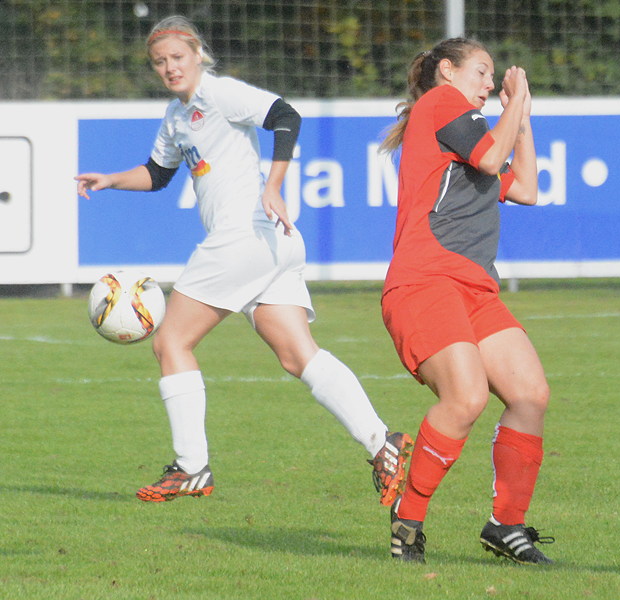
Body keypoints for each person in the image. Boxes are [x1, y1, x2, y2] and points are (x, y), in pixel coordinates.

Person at [75, 16, 411, 506]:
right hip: (270, 245)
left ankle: (191, 466)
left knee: (170, 341)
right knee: (298, 355)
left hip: (242, 236)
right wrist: (110, 180)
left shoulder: (219, 93)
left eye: (178, 57)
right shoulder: (176, 116)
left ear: (197, 54)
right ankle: (384, 444)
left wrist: (273, 185)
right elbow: (158, 173)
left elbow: (286, 116)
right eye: (160, 62)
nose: (170, 68)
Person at [378, 38, 553, 564]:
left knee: (530, 394)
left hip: (473, 287)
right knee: (466, 397)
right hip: (425, 280)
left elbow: (527, 188)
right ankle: (407, 520)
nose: (489, 83)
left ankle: (506, 525)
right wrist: (513, 106)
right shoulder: (441, 103)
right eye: (481, 71)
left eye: (493, 76)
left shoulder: (467, 133)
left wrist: (521, 117)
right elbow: (494, 157)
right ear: (448, 71)